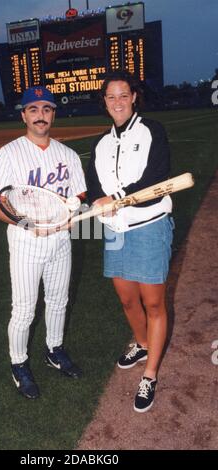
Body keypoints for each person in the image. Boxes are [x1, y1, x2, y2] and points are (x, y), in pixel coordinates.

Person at [0, 86, 86, 399]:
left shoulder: (67, 155)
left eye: (46, 109)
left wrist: (72, 211)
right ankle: (19, 363)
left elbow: (79, 195)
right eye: (33, 109)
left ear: (53, 113)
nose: (40, 115)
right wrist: (26, 223)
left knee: (58, 301)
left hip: (61, 241)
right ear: (23, 115)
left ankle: (54, 350)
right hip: (26, 242)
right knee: (25, 310)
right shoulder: (9, 153)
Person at [86, 71, 174, 413]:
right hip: (114, 231)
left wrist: (117, 197)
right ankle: (140, 342)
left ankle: (150, 374)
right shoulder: (101, 143)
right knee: (126, 300)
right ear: (105, 102)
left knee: (153, 304)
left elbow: (156, 176)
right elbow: (94, 185)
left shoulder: (152, 130)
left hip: (149, 225)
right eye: (111, 97)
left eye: (124, 95)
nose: (118, 102)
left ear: (134, 96)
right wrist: (97, 202)